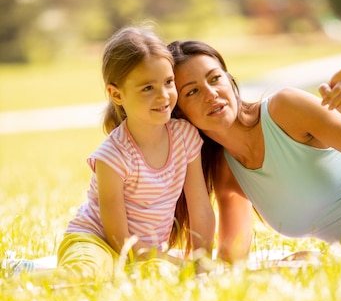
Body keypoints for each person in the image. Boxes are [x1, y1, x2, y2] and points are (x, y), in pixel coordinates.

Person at [168, 39, 341, 263]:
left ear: (229, 79)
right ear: (179, 113)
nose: (211, 94)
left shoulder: (285, 109)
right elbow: (231, 260)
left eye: (215, 78)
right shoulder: (227, 173)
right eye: (192, 91)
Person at [4, 27, 215, 284]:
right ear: (116, 94)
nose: (163, 95)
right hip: (96, 242)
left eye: (168, 82)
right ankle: (15, 279)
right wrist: (169, 261)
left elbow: (200, 207)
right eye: (148, 87)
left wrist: (202, 262)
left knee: (170, 276)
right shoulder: (112, 156)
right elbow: (118, 240)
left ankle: (27, 269)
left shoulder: (185, 137)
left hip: (142, 253)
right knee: (88, 276)